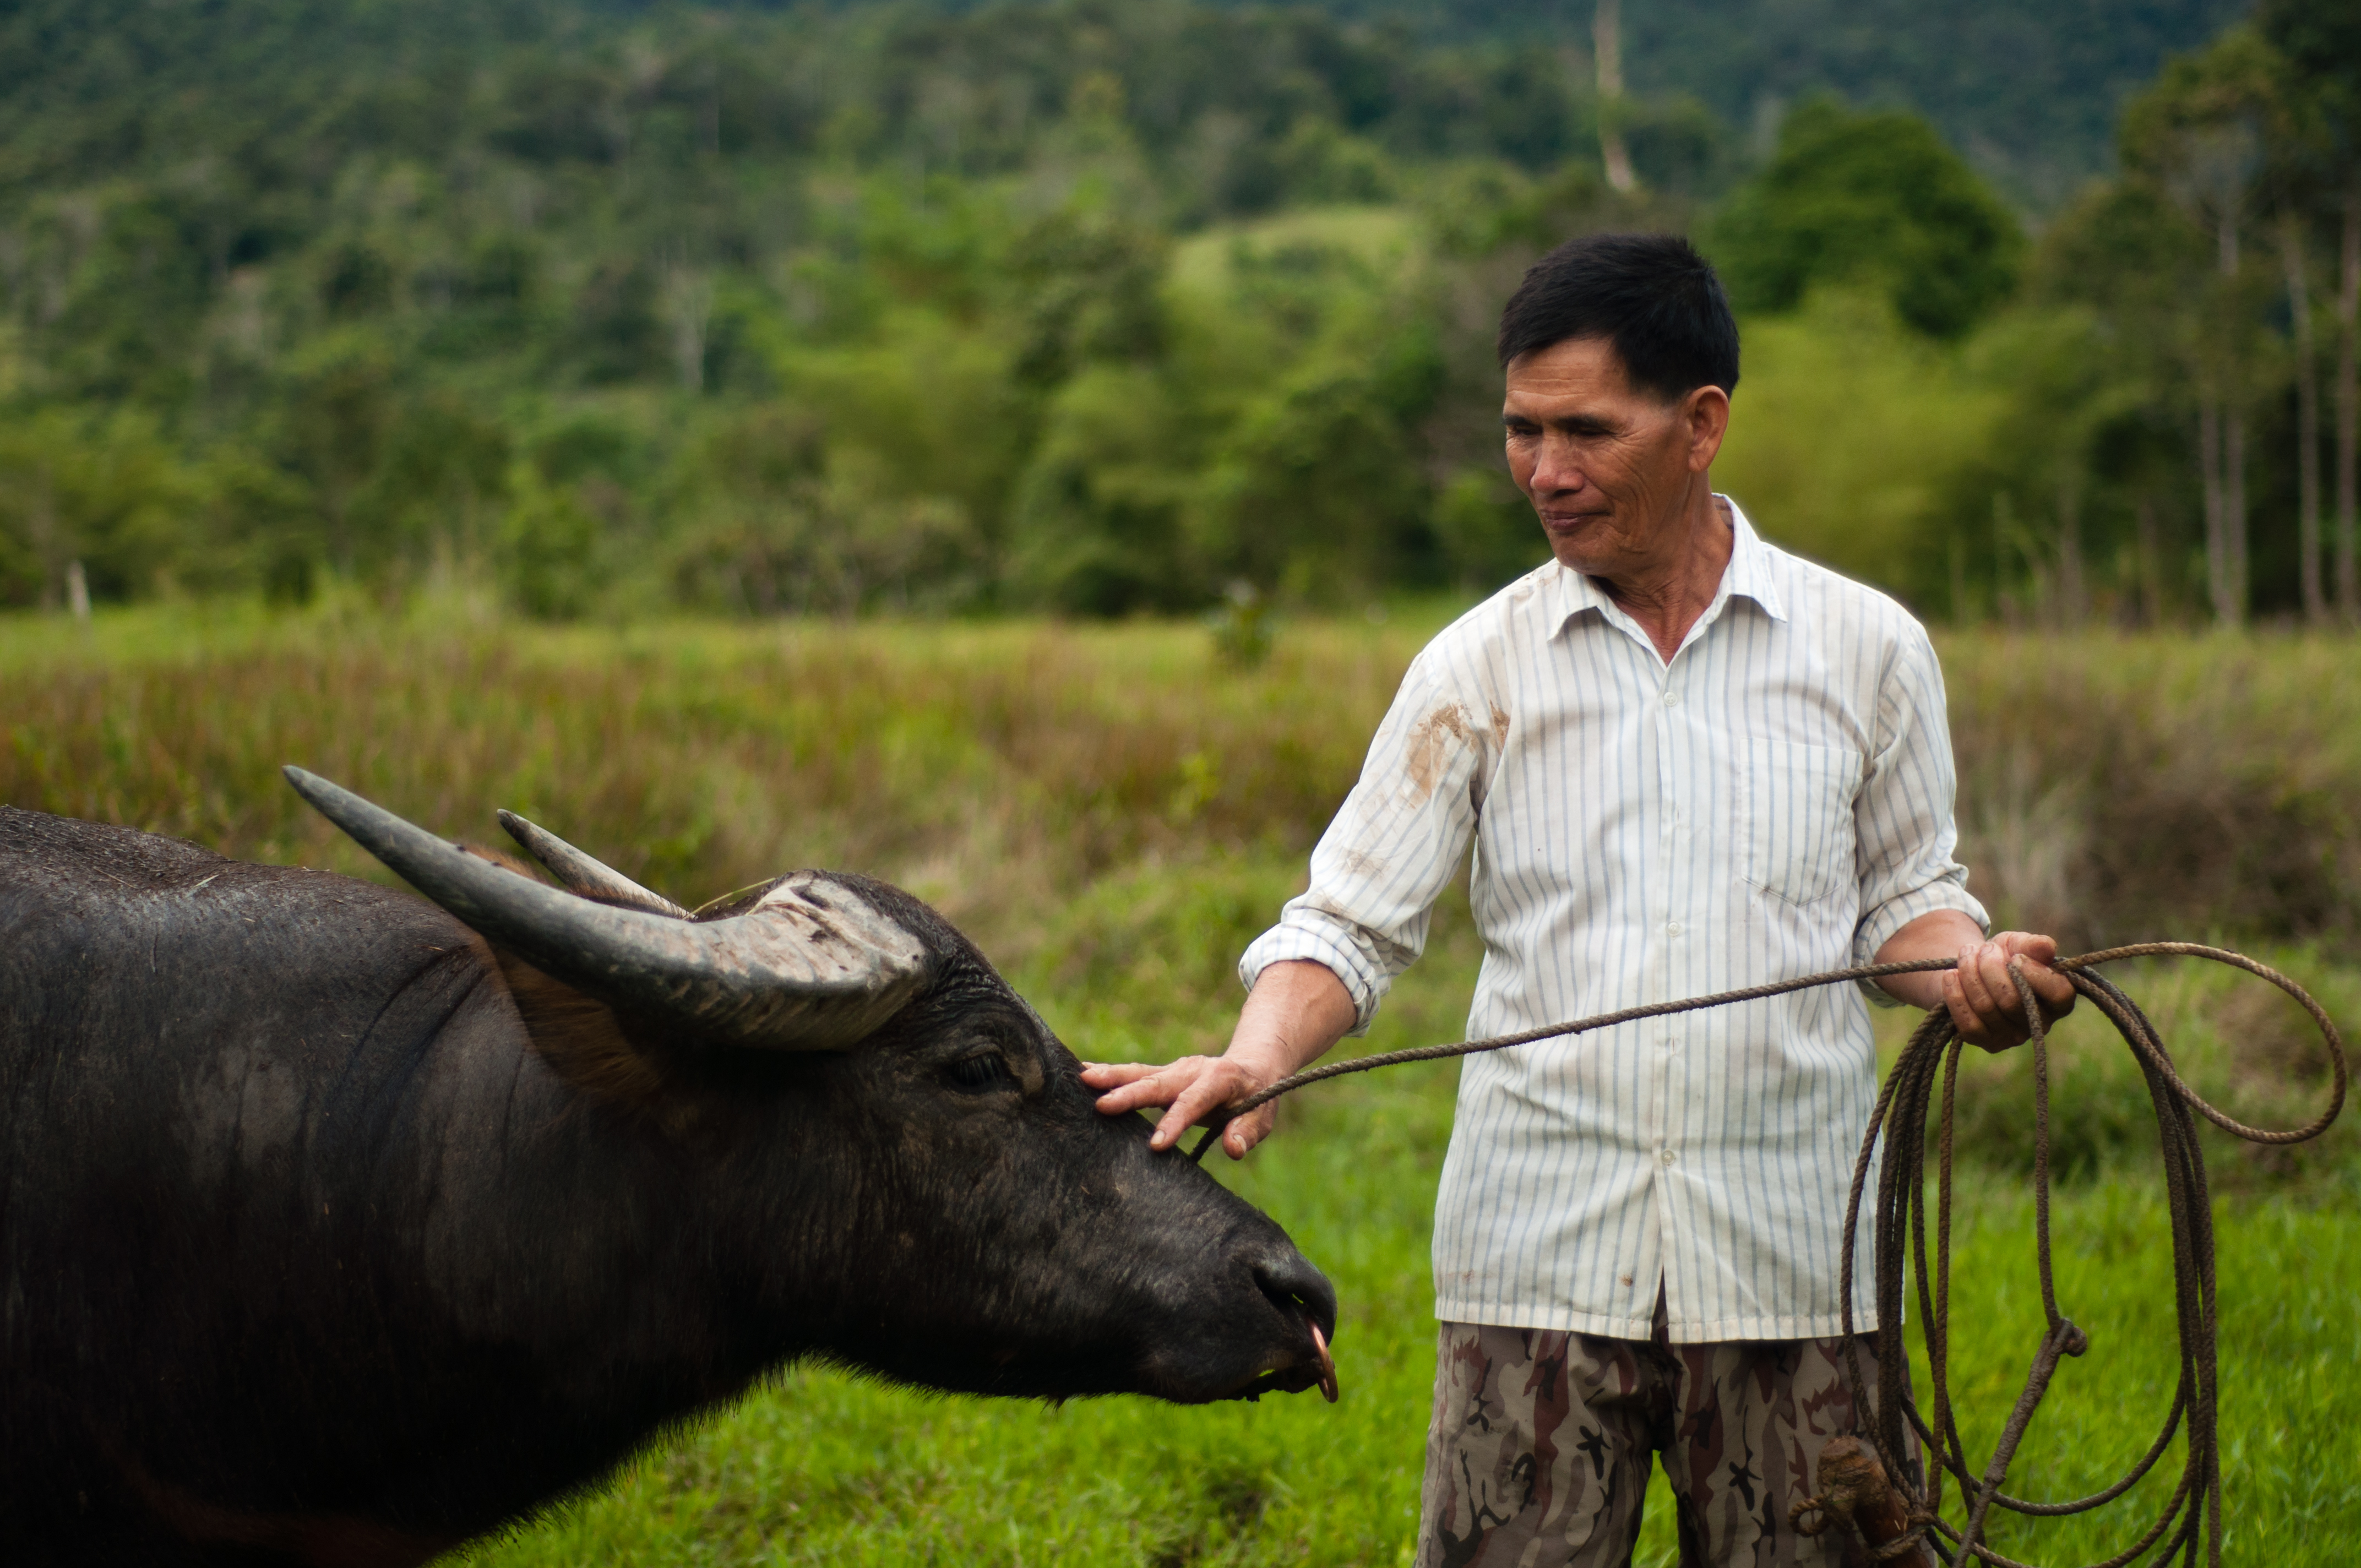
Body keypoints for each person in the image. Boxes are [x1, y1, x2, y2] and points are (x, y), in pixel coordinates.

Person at [1081, 232, 2076, 1567]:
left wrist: (1971, 973)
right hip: (1534, 1267)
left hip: (1794, 1262)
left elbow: (1904, 900)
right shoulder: (1475, 664)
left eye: (1587, 431)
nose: (1544, 472)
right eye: (1520, 430)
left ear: (1700, 423)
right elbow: (1349, 918)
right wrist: (1255, 1054)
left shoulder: (1867, 649)